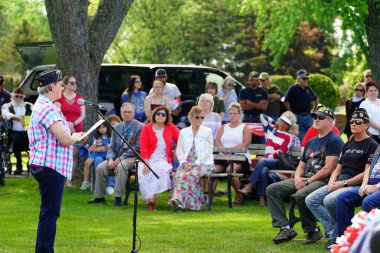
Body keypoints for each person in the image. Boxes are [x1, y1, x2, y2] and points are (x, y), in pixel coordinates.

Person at [267, 106, 344, 245]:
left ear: (330, 121)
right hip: (306, 178)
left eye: (321, 117)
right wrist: (297, 178)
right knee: (272, 189)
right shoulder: (311, 141)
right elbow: (301, 165)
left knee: (301, 194)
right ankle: (285, 228)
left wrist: (308, 181)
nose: (316, 120)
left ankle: (313, 230)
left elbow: (328, 168)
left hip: (324, 180)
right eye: (315, 117)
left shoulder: (335, 140)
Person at [28, 68, 86, 253]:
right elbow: (65, 139)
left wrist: (75, 135)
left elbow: (63, 136)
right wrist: (77, 136)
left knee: (48, 212)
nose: (62, 88)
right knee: (50, 214)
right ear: (52, 85)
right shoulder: (47, 108)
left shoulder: (45, 105)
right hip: (49, 167)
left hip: (47, 165)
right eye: (61, 85)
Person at [305, 108, 378, 249]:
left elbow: (367, 172)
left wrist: (343, 183)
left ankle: (342, 235)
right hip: (339, 181)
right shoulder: (348, 143)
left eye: (358, 122)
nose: (354, 124)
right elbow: (338, 168)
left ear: (367, 125)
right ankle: (336, 233)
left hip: (354, 183)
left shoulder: (372, 145)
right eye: (352, 121)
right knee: (311, 199)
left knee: (329, 200)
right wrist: (332, 182)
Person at [88, 102, 144, 207]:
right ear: (121, 113)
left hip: (132, 157)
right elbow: (111, 146)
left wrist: (120, 159)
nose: (127, 114)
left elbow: (137, 147)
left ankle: (117, 197)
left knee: (121, 167)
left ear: (134, 113)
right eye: (125, 112)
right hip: (116, 156)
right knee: (100, 167)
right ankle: (99, 197)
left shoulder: (141, 127)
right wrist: (110, 159)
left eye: (129, 112)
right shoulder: (116, 127)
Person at [239, 111, 297, 206]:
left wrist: (265, 157)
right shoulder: (270, 131)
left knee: (263, 161)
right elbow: (262, 116)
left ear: (289, 127)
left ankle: (249, 185)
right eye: (282, 121)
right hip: (265, 162)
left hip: (277, 161)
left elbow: (280, 152)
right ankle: (262, 199)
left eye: (286, 124)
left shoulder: (288, 137)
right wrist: (275, 122)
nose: (283, 124)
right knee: (264, 169)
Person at [169, 106, 214, 211]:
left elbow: (208, 151)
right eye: (197, 117)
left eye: (202, 117)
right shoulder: (183, 132)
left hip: (205, 164)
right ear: (191, 118)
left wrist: (195, 163)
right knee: (179, 175)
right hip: (186, 163)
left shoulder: (207, 131)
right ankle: (182, 203)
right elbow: (179, 150)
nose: (200, 120)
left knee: (190, 175)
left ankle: (180, 201)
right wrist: (184, 163)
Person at [138, 106, 179, 210]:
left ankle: (151, 197)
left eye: (163, 114)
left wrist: (176, 151)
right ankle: (150, 198)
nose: (160, 116)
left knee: (160, 169)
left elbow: (182, 139)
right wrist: (146, 162)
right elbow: (143, 147)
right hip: (147, 158)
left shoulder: (170, 127)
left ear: (167, 117)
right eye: (158, 114)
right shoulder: (147, 128)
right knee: (145, 172)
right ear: (154, 115)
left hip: (163, 159)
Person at [336, 144, 380, 238]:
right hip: (370, 186)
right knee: (343, 198)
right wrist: (364, 185)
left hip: (377, 187)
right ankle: (346, 239)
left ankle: (370, 240)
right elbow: (370, 168)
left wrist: (377, 186)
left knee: (369, 201)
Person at [214, 102, 252, 205]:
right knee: (213, 170)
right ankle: (210, 197)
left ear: (240, 114)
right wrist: (224, 150)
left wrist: (230, 150)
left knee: (230, 169)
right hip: (223, 156)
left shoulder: (245, 128)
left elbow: (245, 144)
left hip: (239, 157)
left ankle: (239, 194)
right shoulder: (223, 127)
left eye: (234, 113)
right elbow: (217, 141)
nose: (232, 115)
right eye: (230, 113)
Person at [54, 75, 85, 187]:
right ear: (65, 85)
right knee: (61, 154)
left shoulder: (80, 99)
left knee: (73, 155)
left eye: (75, 83)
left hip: (76, 129)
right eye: (72, 83)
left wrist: (73, 124)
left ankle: (69, 180)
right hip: (62, 128)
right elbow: (57, 113)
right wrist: (66, 124)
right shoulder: (60, 98)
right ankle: (60, 178)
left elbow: (83, 115)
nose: (74, 85)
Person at [1, 88, 33, 175]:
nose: (18, 98)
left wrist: (25, 117)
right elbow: (5, 115)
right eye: (16, 96)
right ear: (12, 96)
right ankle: (19, 166)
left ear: (23, 97)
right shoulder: (7, 106)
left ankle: (32, 164)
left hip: (27, 133)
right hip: (14, 133)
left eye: (20, 96)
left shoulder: (28, 105)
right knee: (16, 139)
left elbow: (36, 112)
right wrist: (18, 118)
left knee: (33, 139)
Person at [284, 69, 319, 141]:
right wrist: (291, 114)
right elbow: (286, 101)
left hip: (308, 116)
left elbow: (316, 98)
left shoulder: (308, 89)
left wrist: (315, 109)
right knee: (302, 138)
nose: (306, 80)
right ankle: (303, 151)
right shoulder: (293, 88)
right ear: (298, 79)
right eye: (304, 78)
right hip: (297, 116)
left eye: (307, 78)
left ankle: (309, 151)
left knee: (311, 136)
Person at [79, 122, 112, 191]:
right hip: (97, 153)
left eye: (103, 127)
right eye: (99, 128)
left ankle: (102, 183)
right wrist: (100, 149)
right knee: (87, 163)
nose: (102, 129)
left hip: (107, 154)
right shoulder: (97, 138)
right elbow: (91, 148)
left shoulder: (111, 137)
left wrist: (103, 148)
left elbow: (109, 148)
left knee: (100, 162)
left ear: (107, 127)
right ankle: (86, 182)